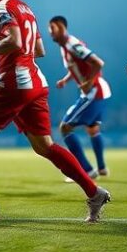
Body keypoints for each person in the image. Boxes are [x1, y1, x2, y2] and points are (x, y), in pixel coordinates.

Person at [0, 0, 111, 225]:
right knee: (45, 146)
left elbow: (15, 41)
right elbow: (38, 49)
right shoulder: (25, 8)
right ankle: (94, 192)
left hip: (15, 84)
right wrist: (13, 53)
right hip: (36, 82)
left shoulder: (1, 8)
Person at [49, 16, 112, 181]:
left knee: (65, 127)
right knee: (92, 129)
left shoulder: (72, 45)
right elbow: (76, 66)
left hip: (94, 91)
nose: (50, 32)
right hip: (96, 91)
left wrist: (88, 81)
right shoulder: (65, 47)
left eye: (52, 28)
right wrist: (66, 79)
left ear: (61, 27)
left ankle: (86, 170)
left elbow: (98, 63)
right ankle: (102, 167)